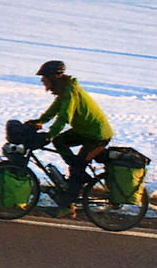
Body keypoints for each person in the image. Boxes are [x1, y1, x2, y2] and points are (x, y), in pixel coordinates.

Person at [28, 60, 113, 210]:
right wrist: (40, 121)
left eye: (44, 77)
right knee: (60, 141)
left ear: (53, 77)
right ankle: (77, 174)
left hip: (97, 136)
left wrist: (50, 134)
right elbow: (54, 109)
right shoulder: (64, 90)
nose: (42, 80)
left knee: (77, 169)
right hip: (85, 131)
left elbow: (64, 116)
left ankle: (68, 204)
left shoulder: (69, 92)